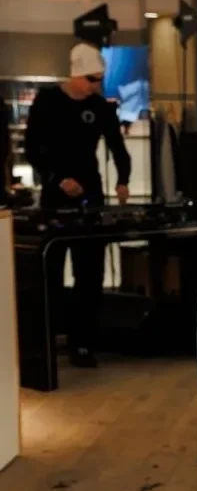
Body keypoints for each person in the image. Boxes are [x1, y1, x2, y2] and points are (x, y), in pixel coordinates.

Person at [25, 42, 131, 367]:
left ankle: (83, 342)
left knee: (90, 272)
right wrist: (57, 178)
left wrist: (123, 179)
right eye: (90, 79)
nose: (94, 86)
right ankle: (48, 337)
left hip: (90, 194)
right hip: (55, 196)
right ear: (75, 75)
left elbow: (117, 146)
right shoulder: (47, 102)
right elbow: (33, 148)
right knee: (51, 271)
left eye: (99, 80)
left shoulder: (99, 107)